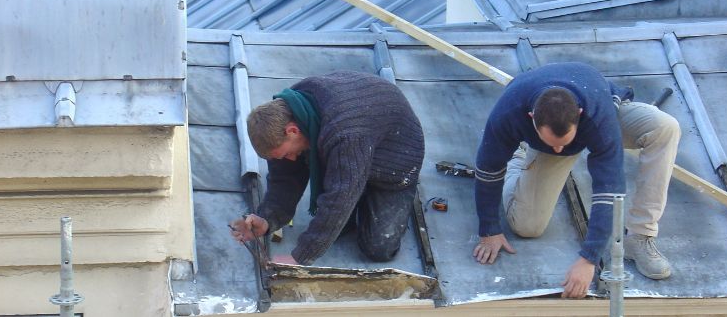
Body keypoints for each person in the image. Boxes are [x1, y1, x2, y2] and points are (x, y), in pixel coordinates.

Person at [473, 62, 680, 298]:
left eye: (563, 141)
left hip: (597, 109)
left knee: (665, 127)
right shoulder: (509, 111)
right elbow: (488, 169)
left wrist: (589, 258)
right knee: (527, 226)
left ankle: (640, 236)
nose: (560, 149)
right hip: (539, 139)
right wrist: (489, 229)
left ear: (579, 114)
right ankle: (520, 157)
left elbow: (609, 187)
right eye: (554, 142)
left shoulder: (597, 115)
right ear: (531, 118)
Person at [230, 71, 425, 266]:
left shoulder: (345, 134)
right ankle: (355, 182)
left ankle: (368, 190)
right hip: (355, 147)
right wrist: (267, 218)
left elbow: (340, 199)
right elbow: (285, 178)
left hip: (393, 164)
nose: (289, 159)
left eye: (285, 154)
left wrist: (300, 257)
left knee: (378, 247)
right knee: (338, 225)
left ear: (292, 131)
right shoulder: (288, 113)